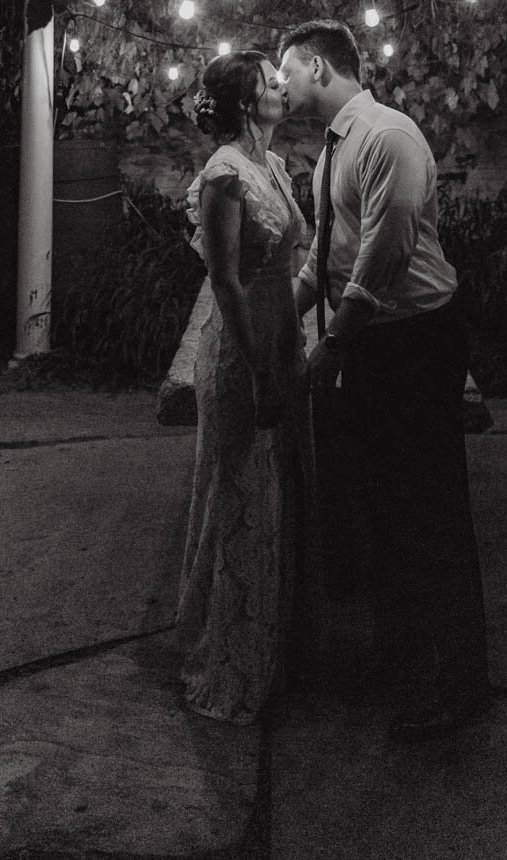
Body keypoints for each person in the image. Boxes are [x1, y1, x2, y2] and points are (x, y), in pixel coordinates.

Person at [278, 19, 490, 742]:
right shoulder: (333, 149)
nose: (280, 84)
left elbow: (385, 254)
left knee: (429, 508)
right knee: (382, 507)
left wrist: (331, 346)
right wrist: (280, 318)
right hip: (376, 342)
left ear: (316, 64)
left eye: (286, 71)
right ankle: (401, 663)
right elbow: (324, 259)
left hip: (416, 341)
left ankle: (458, 681)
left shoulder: (388, 136)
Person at [176, 50, 308, 724]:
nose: (280, 86)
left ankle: (272, 648)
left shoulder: (272, 166)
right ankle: (231, 660)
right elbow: (225, 279)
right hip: (242, 350)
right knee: (241, 495)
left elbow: (292, 255)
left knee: (273, 493)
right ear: (239, 100)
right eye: (266, 82)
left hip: (281, 335)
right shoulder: (224, 176)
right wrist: (259, 368)